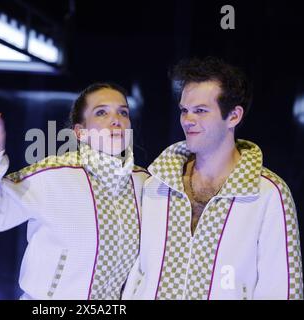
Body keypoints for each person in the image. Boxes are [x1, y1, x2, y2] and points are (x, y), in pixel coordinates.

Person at [123, 57, 303, 300]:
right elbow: (135, 273)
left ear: (234, 116)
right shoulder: (156, 185)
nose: (188, 120)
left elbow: (282, 290)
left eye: (200, 111)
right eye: (184, 110)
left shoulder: (269, 194)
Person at [0, 83, 150, 299]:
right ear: (81, 132)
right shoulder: (54, 175)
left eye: (123, 112)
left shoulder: (146, 184)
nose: (116, 120)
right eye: (101, 112)